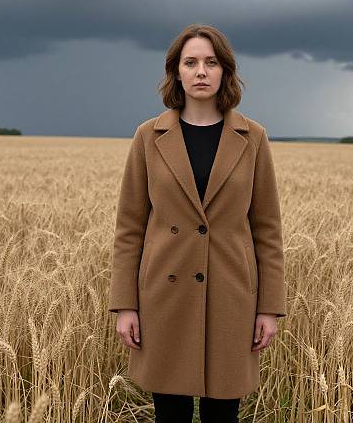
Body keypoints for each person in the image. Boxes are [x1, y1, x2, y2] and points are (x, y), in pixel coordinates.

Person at [108, 23, 287, 422]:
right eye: (190, 62)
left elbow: (268, 232)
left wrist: (269, 308)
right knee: (169, 412)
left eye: (211, 62)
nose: (201, 71)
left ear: (225, 71)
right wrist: (125, 305)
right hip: (164, 298)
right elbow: (129, 229)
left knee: (223, 413)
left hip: (232, 298)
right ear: (176, 72)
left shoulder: (253, 137)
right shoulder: (148, 137)